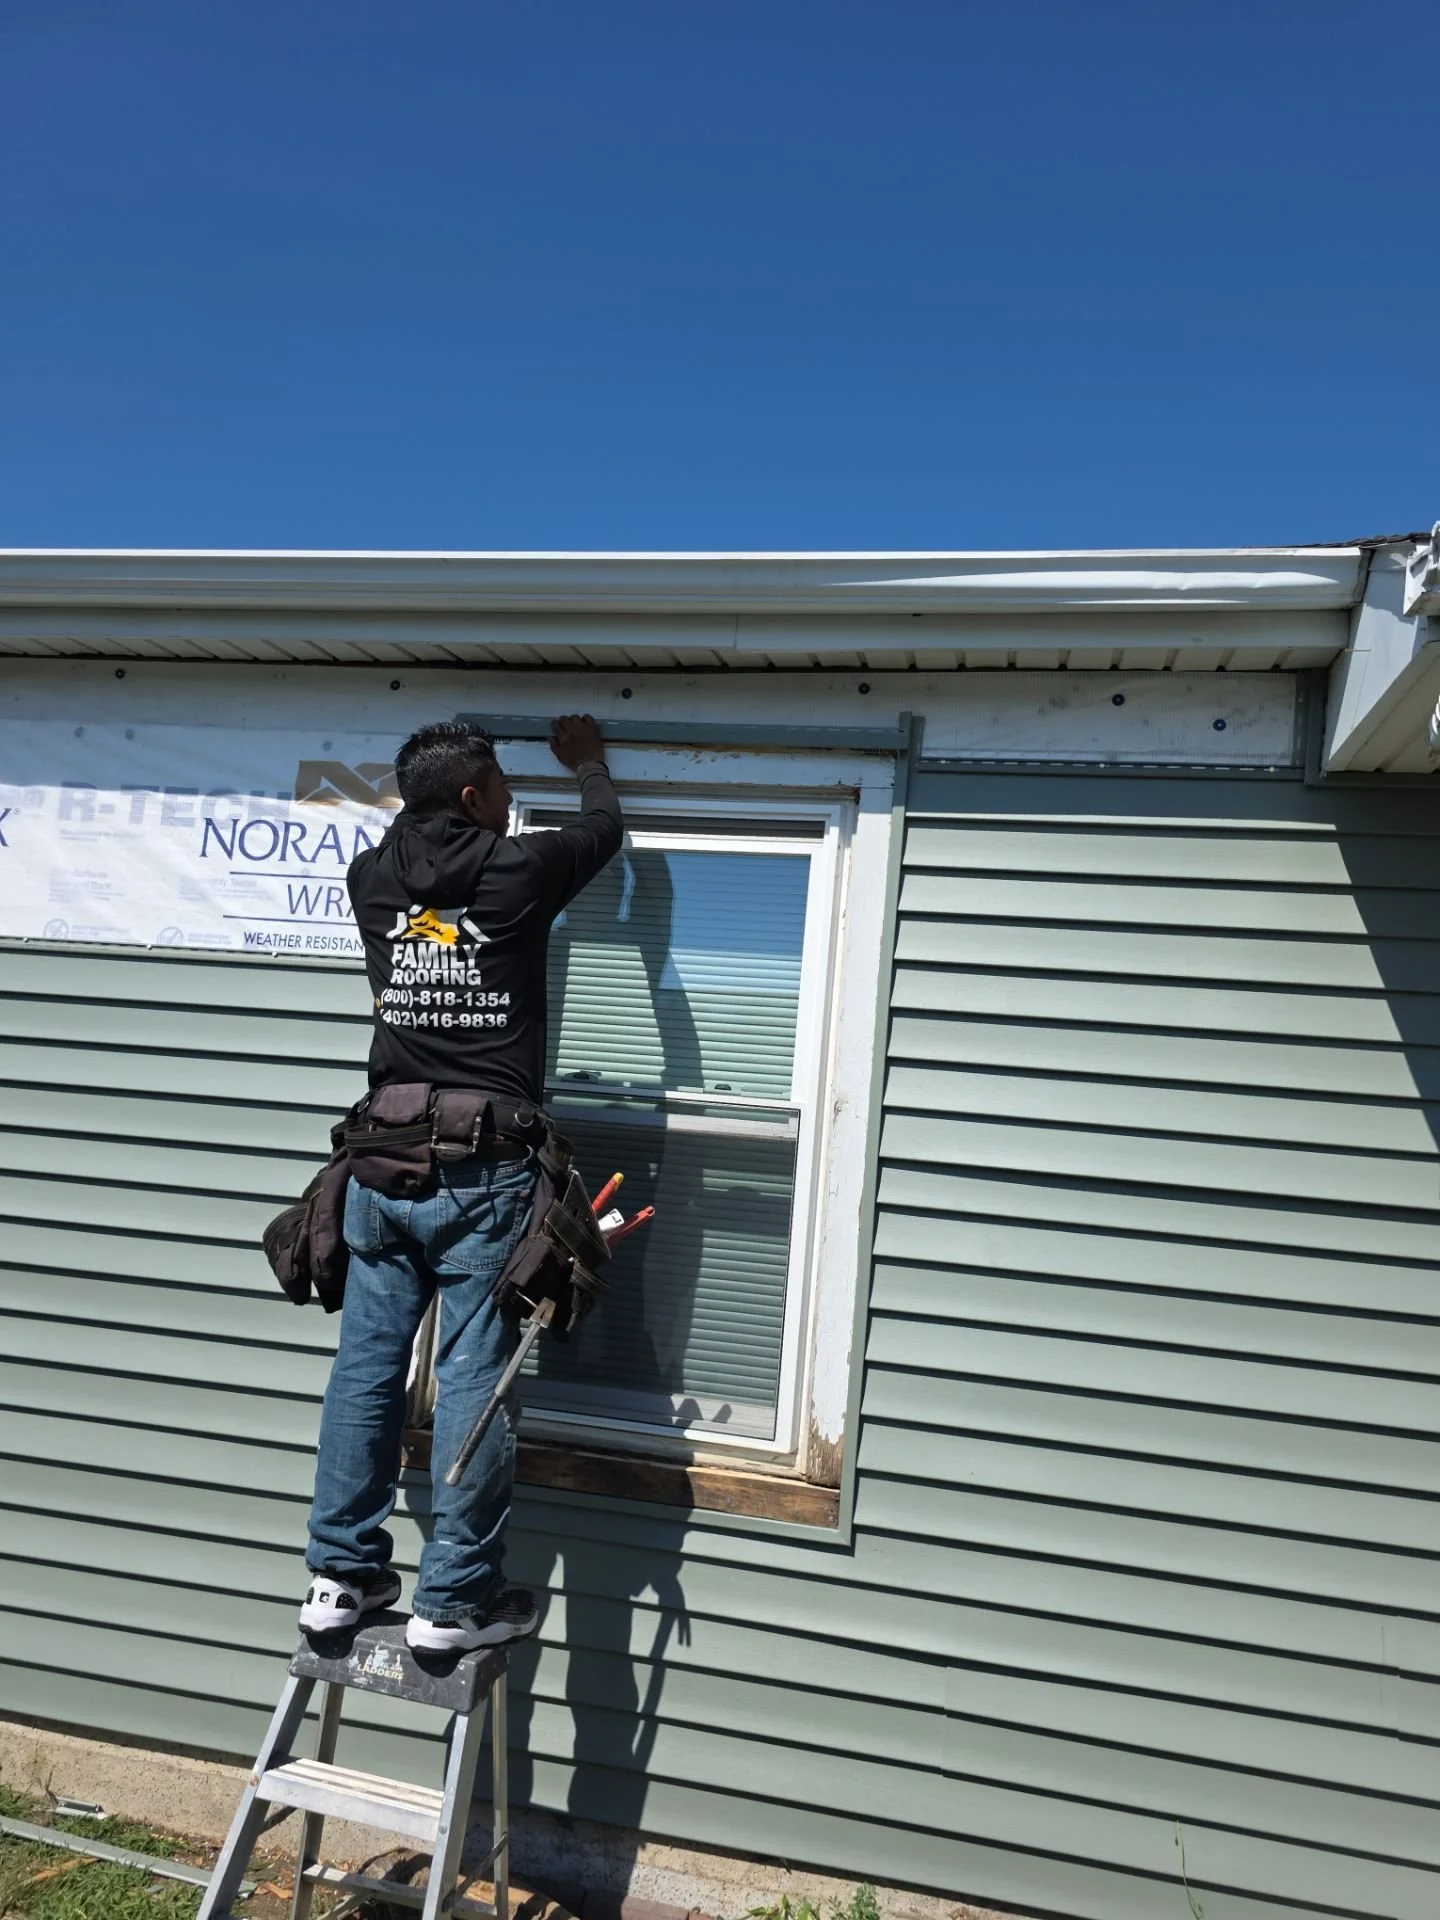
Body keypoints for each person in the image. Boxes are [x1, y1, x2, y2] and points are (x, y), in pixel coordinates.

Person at [298, 714, 623, 1651]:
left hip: (381, 1163)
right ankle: (453, 1605)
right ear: (476, 797)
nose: (515, 803)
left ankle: (339, 1576)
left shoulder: (372, 878)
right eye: (504, 790)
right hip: (482, 1171)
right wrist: (591, 765)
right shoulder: (516, 873)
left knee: (367, 1372)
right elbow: (602, 834)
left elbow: (414, 838)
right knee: (474, 1381)